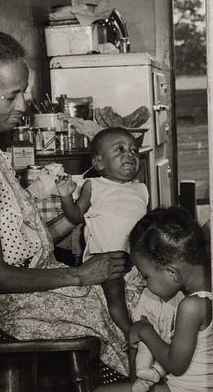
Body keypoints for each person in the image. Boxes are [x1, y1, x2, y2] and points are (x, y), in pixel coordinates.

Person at [0, 30, 139, 381]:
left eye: (23, 91)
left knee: (133, 288)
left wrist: (75, 218)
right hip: (5, 307)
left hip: (29, 285)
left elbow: (22, 240)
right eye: (11, 96)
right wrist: (80, 274)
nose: (23, 105)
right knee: (123, 309)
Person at [88, 207, 213, 392]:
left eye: (146, 276)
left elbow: (175, 364)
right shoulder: (212, 287)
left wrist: (145, 330)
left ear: (172, 273)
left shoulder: (191, 306)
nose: (146, 283)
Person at [57, 126, 149, 337]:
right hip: (104, 261)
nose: (130, 154)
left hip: (135, 259)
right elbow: (75, 216)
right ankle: (129, 332)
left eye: (134, 150)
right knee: (115, 294)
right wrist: (65, 197)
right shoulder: (95, 186)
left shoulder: (141, 189)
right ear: (99, 163)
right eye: (120, 150)